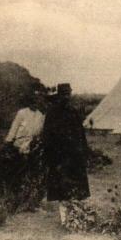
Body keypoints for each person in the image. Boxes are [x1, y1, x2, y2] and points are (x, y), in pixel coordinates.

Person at [42, 83, 90, 226]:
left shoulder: (73, 112)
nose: (66, 97)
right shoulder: (52, 113)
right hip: (59, 157)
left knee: (77, 189)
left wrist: (84, 152)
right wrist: (50, 157)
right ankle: (65, 221)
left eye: (68, 94)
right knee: (62, 190)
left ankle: (76, 218)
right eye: (64, 94)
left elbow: (81, 135)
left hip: (75, 157)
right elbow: (47, 136)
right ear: (59, 96)